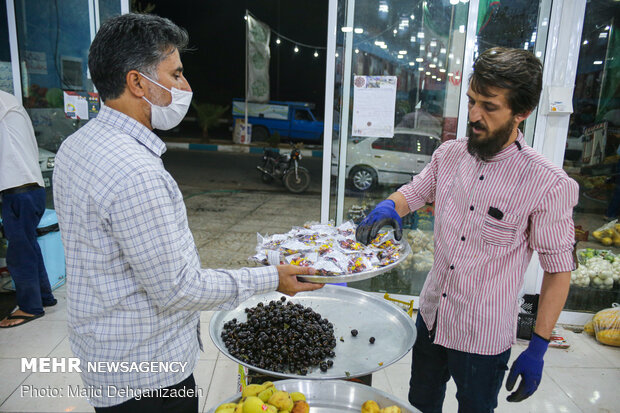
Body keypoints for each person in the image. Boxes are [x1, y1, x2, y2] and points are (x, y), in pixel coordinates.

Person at [53, 13, 321, 412]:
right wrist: (272, 278)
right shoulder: (136, 171)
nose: (186, 87)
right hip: (148, 377)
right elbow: (179, 289)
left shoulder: (76, 146)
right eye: (176, 75)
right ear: (137, 82)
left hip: (104, 355)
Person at [356, 47, 578, 412]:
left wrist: (538, 346)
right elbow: (415, 192)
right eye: (472, 100)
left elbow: (558, 270)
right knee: (419, 403)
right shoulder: (449, 155)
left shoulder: (547, 184)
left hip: (483, 335)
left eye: (489, 106)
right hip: (431, 316)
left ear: (521, 113)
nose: (474, 115)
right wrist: (389, 206)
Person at [0, 90, 57, 328]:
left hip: (18, 189)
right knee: (29, 246)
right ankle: (44, 297)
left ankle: (30, 307)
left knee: (19, 252)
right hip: (30, 188)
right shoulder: (9, 101)